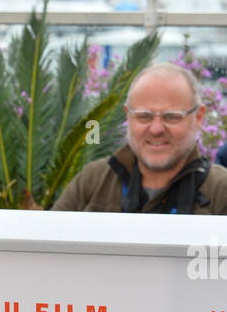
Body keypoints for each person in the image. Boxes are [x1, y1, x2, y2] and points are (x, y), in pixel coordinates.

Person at [51, 62, 227, 214]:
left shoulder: (220, 191)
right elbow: (48, 246)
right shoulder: (93, 181)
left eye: (171, 117)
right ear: (128, 116)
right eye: (144, 116)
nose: (156, 129)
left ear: (198, 117)